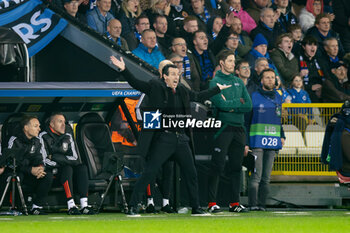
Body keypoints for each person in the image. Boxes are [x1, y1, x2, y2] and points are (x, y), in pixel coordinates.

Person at [110, 55, 231, 215]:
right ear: (164, 76)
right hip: (164, 138)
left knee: (191, 173)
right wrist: (124, 69)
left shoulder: (181, 90)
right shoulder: (155, 86)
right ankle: (133, 205)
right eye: (173, 74)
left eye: (177, 74)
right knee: (150, 171)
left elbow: (197, 96)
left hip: (181, 139)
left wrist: (216, 89)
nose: (176, 77)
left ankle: (196, 207)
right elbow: (136, 83)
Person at [207, 50, 252, 213]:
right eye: (231, 61)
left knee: (236, 167)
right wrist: (236, 103)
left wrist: (231, 105)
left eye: (234, 61)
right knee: (217, 165)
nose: (234, 64)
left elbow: (248, 105)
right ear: (221, 63)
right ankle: (211, 203)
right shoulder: (215, 82)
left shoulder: (239, 82)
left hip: (239, 129)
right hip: (223, 128)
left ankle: (235, 203)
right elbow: (221, 105)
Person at [39, 113, 96, 215]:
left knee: (82, 167)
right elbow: (45, 160)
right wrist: (63, 161)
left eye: (64, 122)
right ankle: (71, 205)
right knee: (67, 168)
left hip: (67, 170)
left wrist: (56, 157)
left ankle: (84, 205)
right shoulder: (43, 136)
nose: (63, 124)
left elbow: (75, 159)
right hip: (53, 172)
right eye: (59, 121)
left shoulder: (68, 136)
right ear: (51, 124)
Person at [246, 68, 285, 211]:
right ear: (261, 80)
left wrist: (282, 135)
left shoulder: (278, 97)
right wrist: (245, 142)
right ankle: (253, 205)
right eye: (267, 77)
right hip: (257, 141)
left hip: (273, 140)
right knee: (256, 175)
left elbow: (278, 119)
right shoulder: (253, 96)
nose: (270, 80)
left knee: (266, 177)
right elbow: (246, 120)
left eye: (272, 77)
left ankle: (262, 205)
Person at [7, 115, 53, 215]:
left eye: (39, 126)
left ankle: (36, 207)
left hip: (31, 174)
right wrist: (30, 170)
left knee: (47, 175)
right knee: (18, 176)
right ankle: (17, 207)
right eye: (36, 126)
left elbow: (39, 158)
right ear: (26, 128)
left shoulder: (37, 141)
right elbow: (11, 163)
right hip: (19, 173)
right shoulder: (14, 140)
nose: (39, 129)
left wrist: (40, 168)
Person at [298, 35, 324, 103]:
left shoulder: (319, 61)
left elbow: (326, 77)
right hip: (306, 90)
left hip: (321, 89)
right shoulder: (298, 60)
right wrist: (310, 87)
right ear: (303, 47)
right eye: (309, 45)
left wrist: (321, 87)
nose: (313, 47)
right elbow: (294, 81)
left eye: (315, 45)